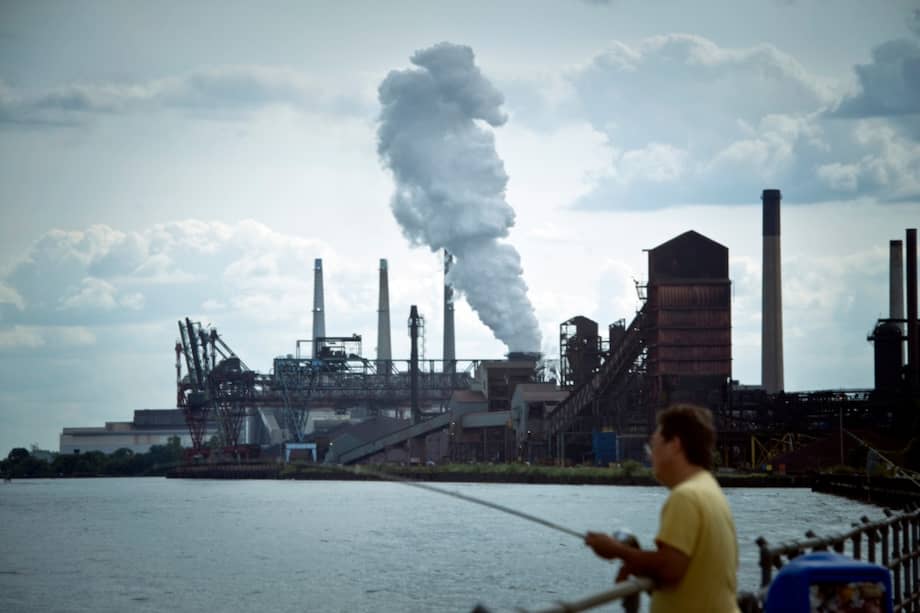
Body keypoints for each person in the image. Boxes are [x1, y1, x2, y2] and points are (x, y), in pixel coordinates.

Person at [584, 404, 740, 613]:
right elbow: (683, 565)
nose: (651, 456)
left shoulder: (686, 497)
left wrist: (616, 550)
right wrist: (635, 561)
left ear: (674, 445)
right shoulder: (709, 488)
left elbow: (670, 567)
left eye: (654, 446)